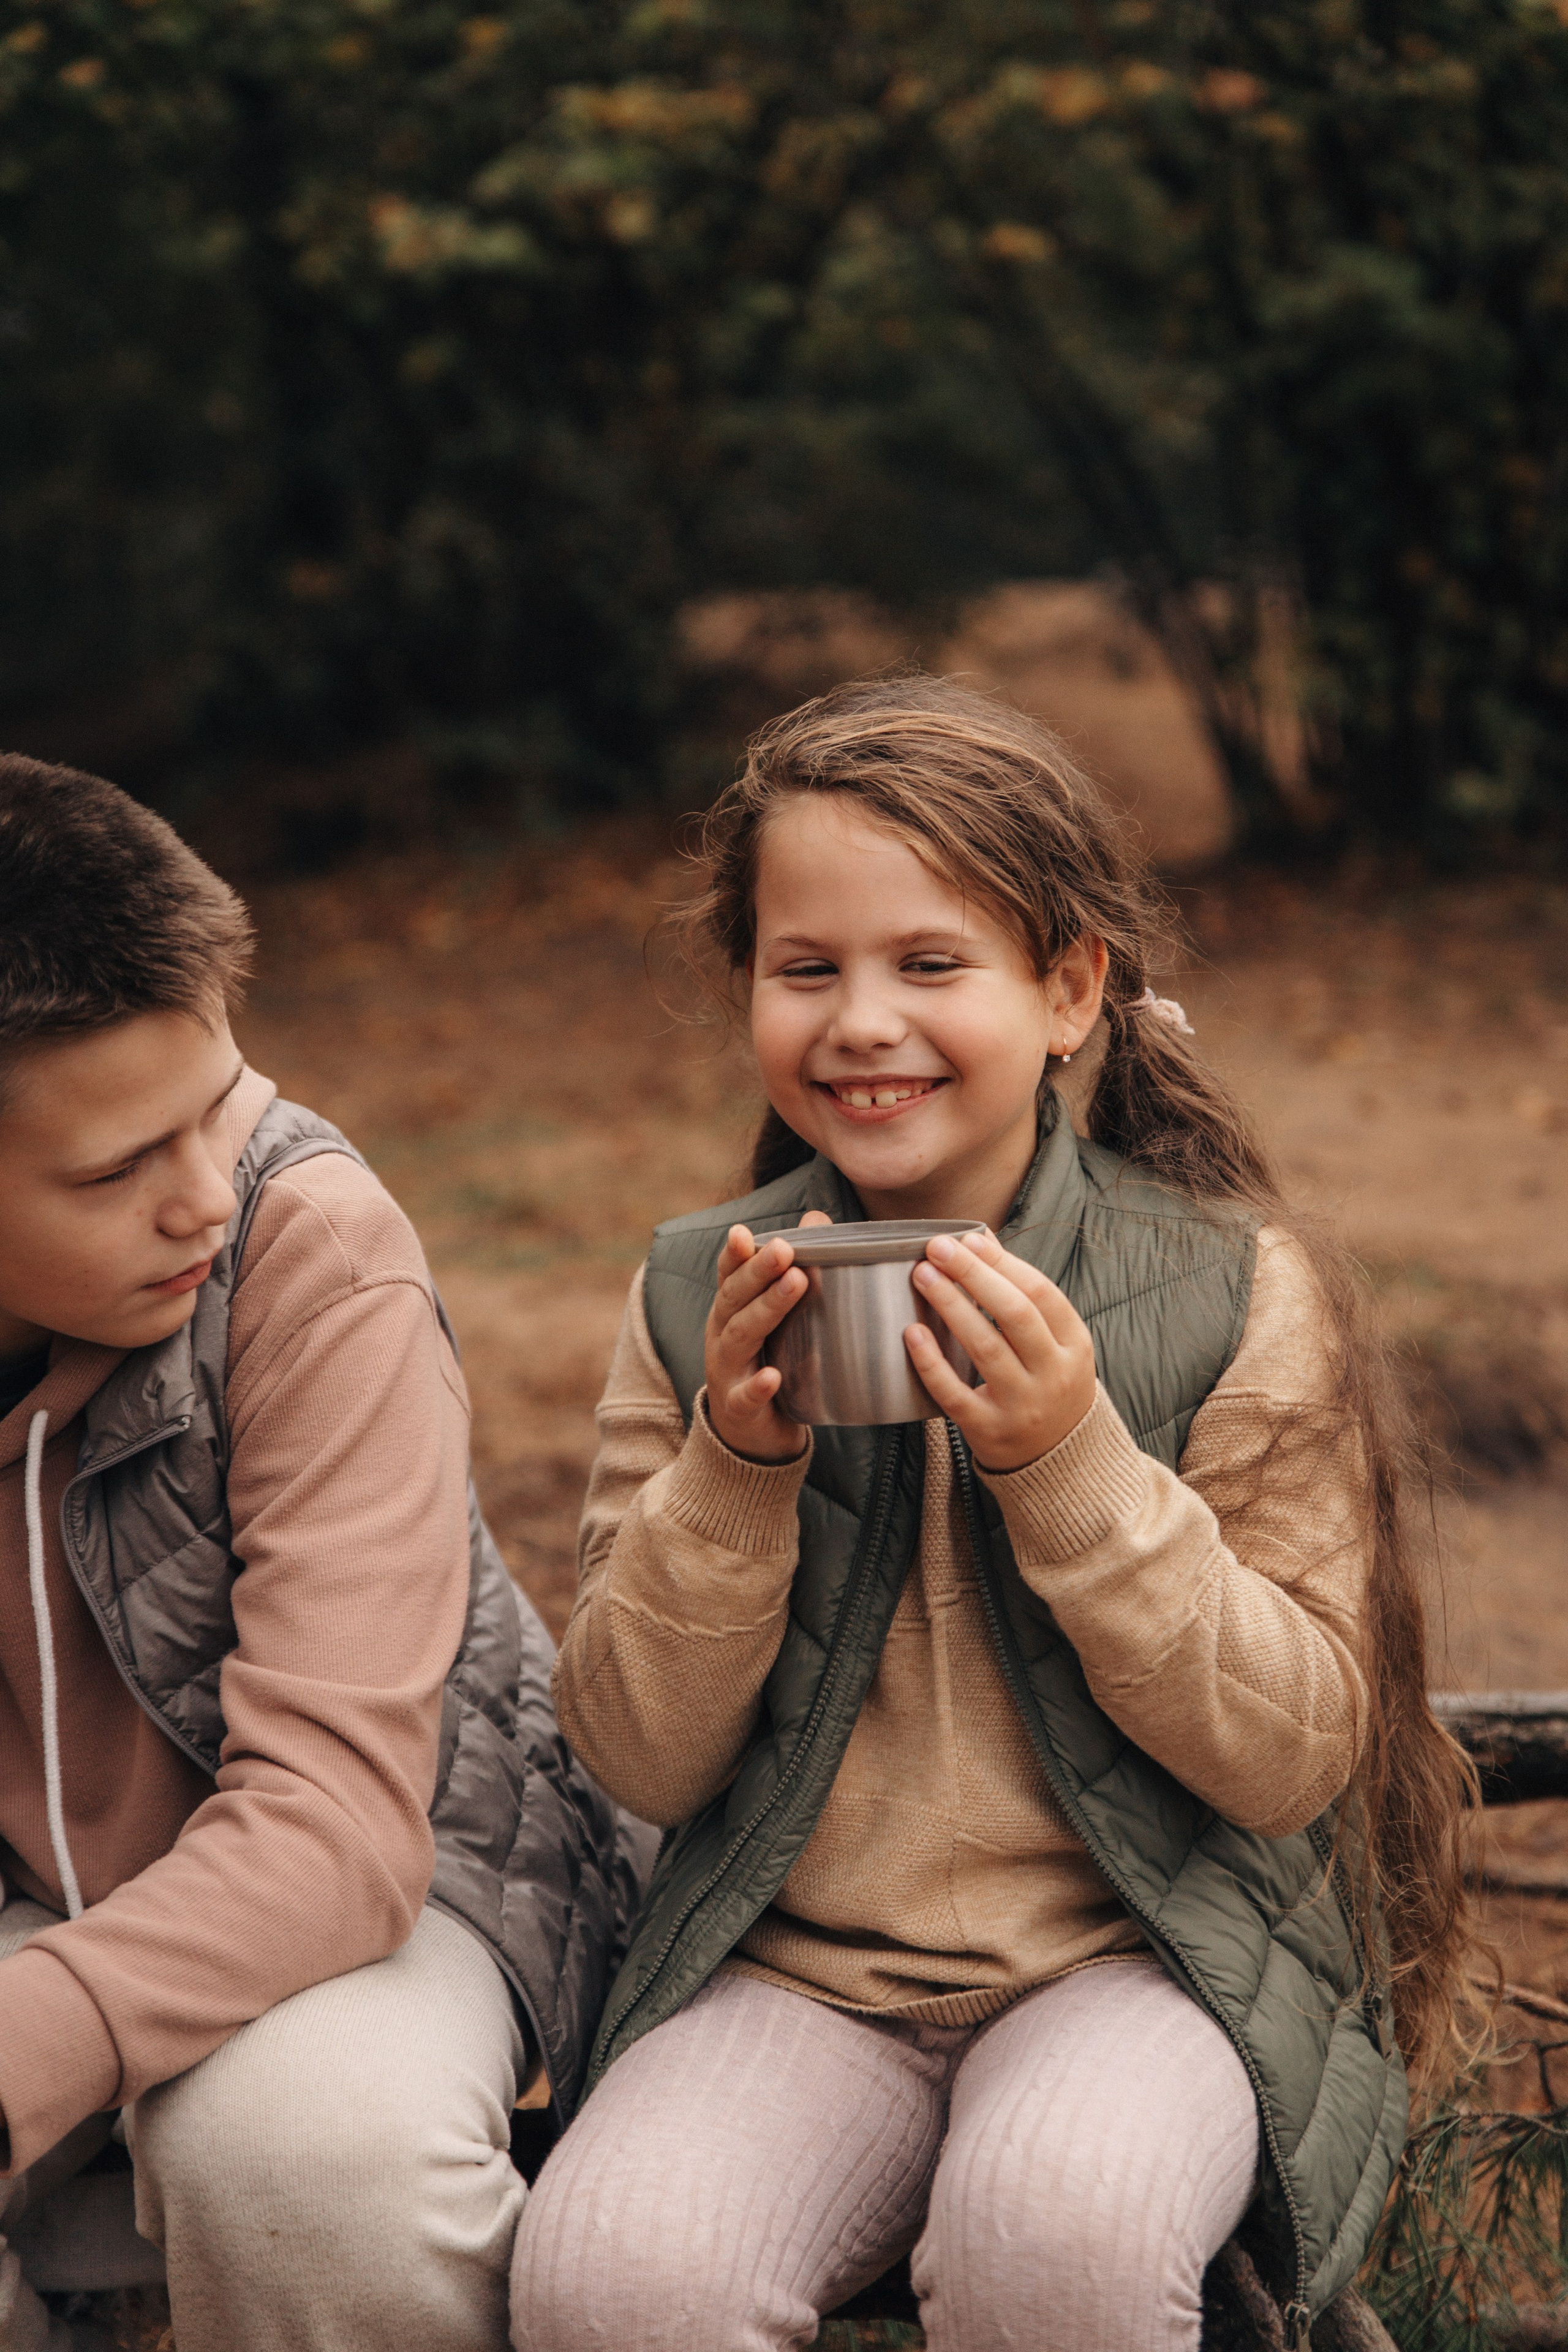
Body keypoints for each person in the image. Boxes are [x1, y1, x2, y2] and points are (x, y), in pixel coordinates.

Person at [510, 677, 1475, 2352]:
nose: (860, 1021)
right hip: (799, 1972)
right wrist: (733, 1475)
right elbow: (641, 1756)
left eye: (930, 964)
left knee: (1060, 2242)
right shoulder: (697, 1295)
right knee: (610, 2279)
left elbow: (1291, 1749)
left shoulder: (1231, 1291)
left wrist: (1071, 1463)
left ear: (1070, 989)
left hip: (1142, 1960)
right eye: (805, 969)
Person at [0, 756, 649, 2352]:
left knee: (307, 2161)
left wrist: (37, 2031)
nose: (202, 1196)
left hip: (396, 1879)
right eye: (113, 1168)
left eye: (211, 1107)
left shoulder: (308, 1248)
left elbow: (336, 1833)